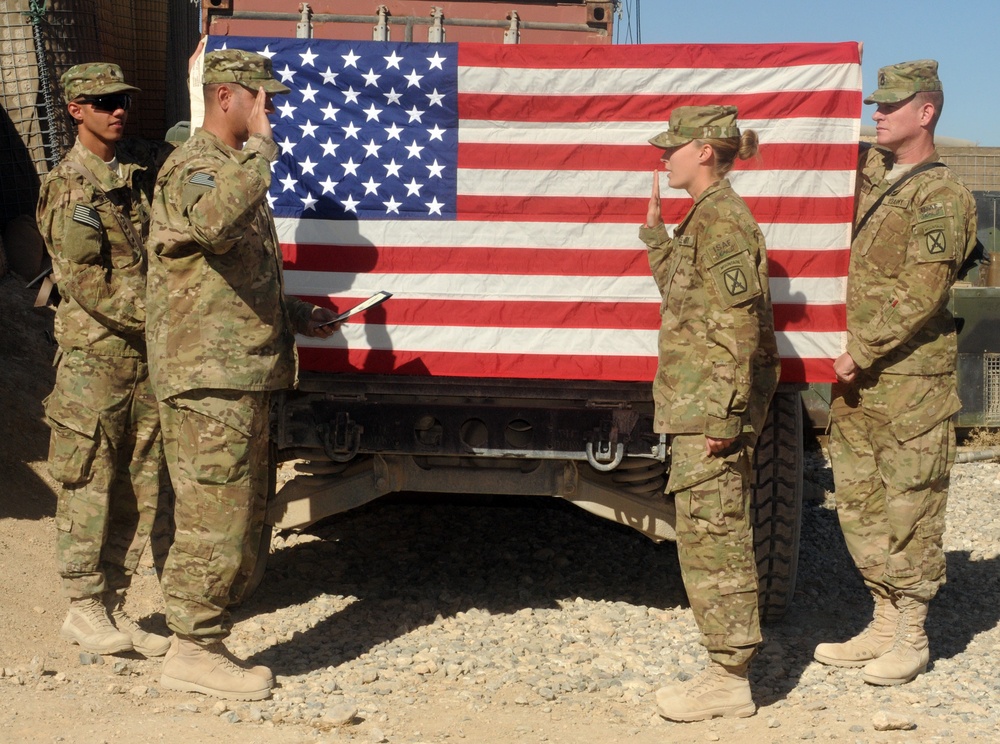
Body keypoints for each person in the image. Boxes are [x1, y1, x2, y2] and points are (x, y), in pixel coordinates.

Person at [145, 48, 340, 701]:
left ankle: (204, 640)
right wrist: (260, 153)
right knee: (213, 517)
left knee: (239, 516)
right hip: (208, 378)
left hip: (235, 371)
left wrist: (293, 314)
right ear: (226, 95)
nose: (272, 113)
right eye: (264, 100)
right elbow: (214, 225)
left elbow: (226, 279)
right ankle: (192, 649)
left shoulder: (227, 170)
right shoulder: (196, 169)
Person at [814, 60, 977, 685]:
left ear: (926, 111)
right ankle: (882, 617)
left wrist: (860, 345)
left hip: (908, 383)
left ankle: (912, 632)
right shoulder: (872, 176)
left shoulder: (941, 195)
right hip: (858, 383)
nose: (874, 114)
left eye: (889, 106)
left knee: (911, 507)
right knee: (861, 503)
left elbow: (922, 288)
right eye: (873, 105)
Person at [639, 105, 780, 721]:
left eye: (671, 148)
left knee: (716, 540)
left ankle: (729, 680)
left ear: (703, 150)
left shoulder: (722, 222)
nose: (662, 158)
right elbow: (682, 292)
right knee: (704, 536)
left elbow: (737, 327)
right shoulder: (702, 217)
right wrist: (655, 235)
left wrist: (724, 417)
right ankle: (725, 670)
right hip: (698, 407)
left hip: (709, 413)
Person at [36, 63, 174, 658]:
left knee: (140, 485)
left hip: (142, 360)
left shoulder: (132, 174)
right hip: (95, 362)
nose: (117, 109)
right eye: (102, 101)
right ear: (74, 109)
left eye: (122, 99)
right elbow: (86, 280)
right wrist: (164, 319)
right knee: (87, 481)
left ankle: (112, 602)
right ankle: (81, 606)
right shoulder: (71, 186)